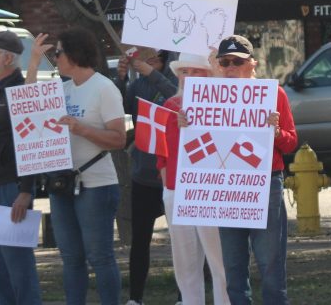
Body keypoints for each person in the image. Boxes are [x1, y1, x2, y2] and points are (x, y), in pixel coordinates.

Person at [27, 29, 126, 305]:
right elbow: (29, 104)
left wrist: (81, 129)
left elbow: (118, 139)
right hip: (64, 183)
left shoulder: (104, 88)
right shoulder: (63, 88)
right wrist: (34, 61)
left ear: (74, 54)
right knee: (70, 257)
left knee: (100, 256)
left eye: (57, 53)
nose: (55, 58)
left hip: (96, 184)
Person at [205, 35, 297, 305]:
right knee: (233, 266)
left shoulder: (273, 93)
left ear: (252, 64)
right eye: (225, 62)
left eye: (237, 61)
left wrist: (277, 132)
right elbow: (197, 141)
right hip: (226, 186)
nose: (230, 67)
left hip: (265, 184)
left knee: (270, 263)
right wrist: (187, 123)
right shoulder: (210, 98)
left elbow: (291, 142)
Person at [0, 31, 42, 305]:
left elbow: (32, 140)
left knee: (17, 265)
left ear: (8, 57)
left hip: (9, 188)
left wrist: (26, 190)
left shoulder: (18, 89)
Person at [157, 52, 230, 305]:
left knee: (219, 262)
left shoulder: (223, 105)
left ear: (208, 74)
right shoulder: (169, 106)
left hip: (210, 190)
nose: (188, 77)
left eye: (195, 71)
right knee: (186, 265)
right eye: (184, 72)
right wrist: (169, 191)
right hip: (177, 190)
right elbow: (162, 156)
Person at [119, 47, 178, 305]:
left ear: (164, 60)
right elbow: (121, 106)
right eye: (145, 59)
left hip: (175, 175)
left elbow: (176, 98)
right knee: (140, 240)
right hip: (145, 173)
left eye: (153, 59)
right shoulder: (138, 83)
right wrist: (121, 79)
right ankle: (135, 298)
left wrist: (152, 74)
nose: (147, 63)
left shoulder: (176, 79)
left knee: (183, 241)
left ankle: (184, 296)